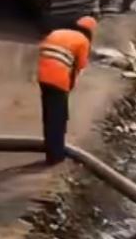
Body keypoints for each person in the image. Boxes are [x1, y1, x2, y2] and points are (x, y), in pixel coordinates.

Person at [36, 15, 97, 163]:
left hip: (42, 76)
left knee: (49, 115)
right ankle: (56, 156)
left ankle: (50, 150)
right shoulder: (83, 40)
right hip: (58, 77)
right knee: (58, 118)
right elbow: (80, 66)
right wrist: (70, 86)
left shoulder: (58, 32)